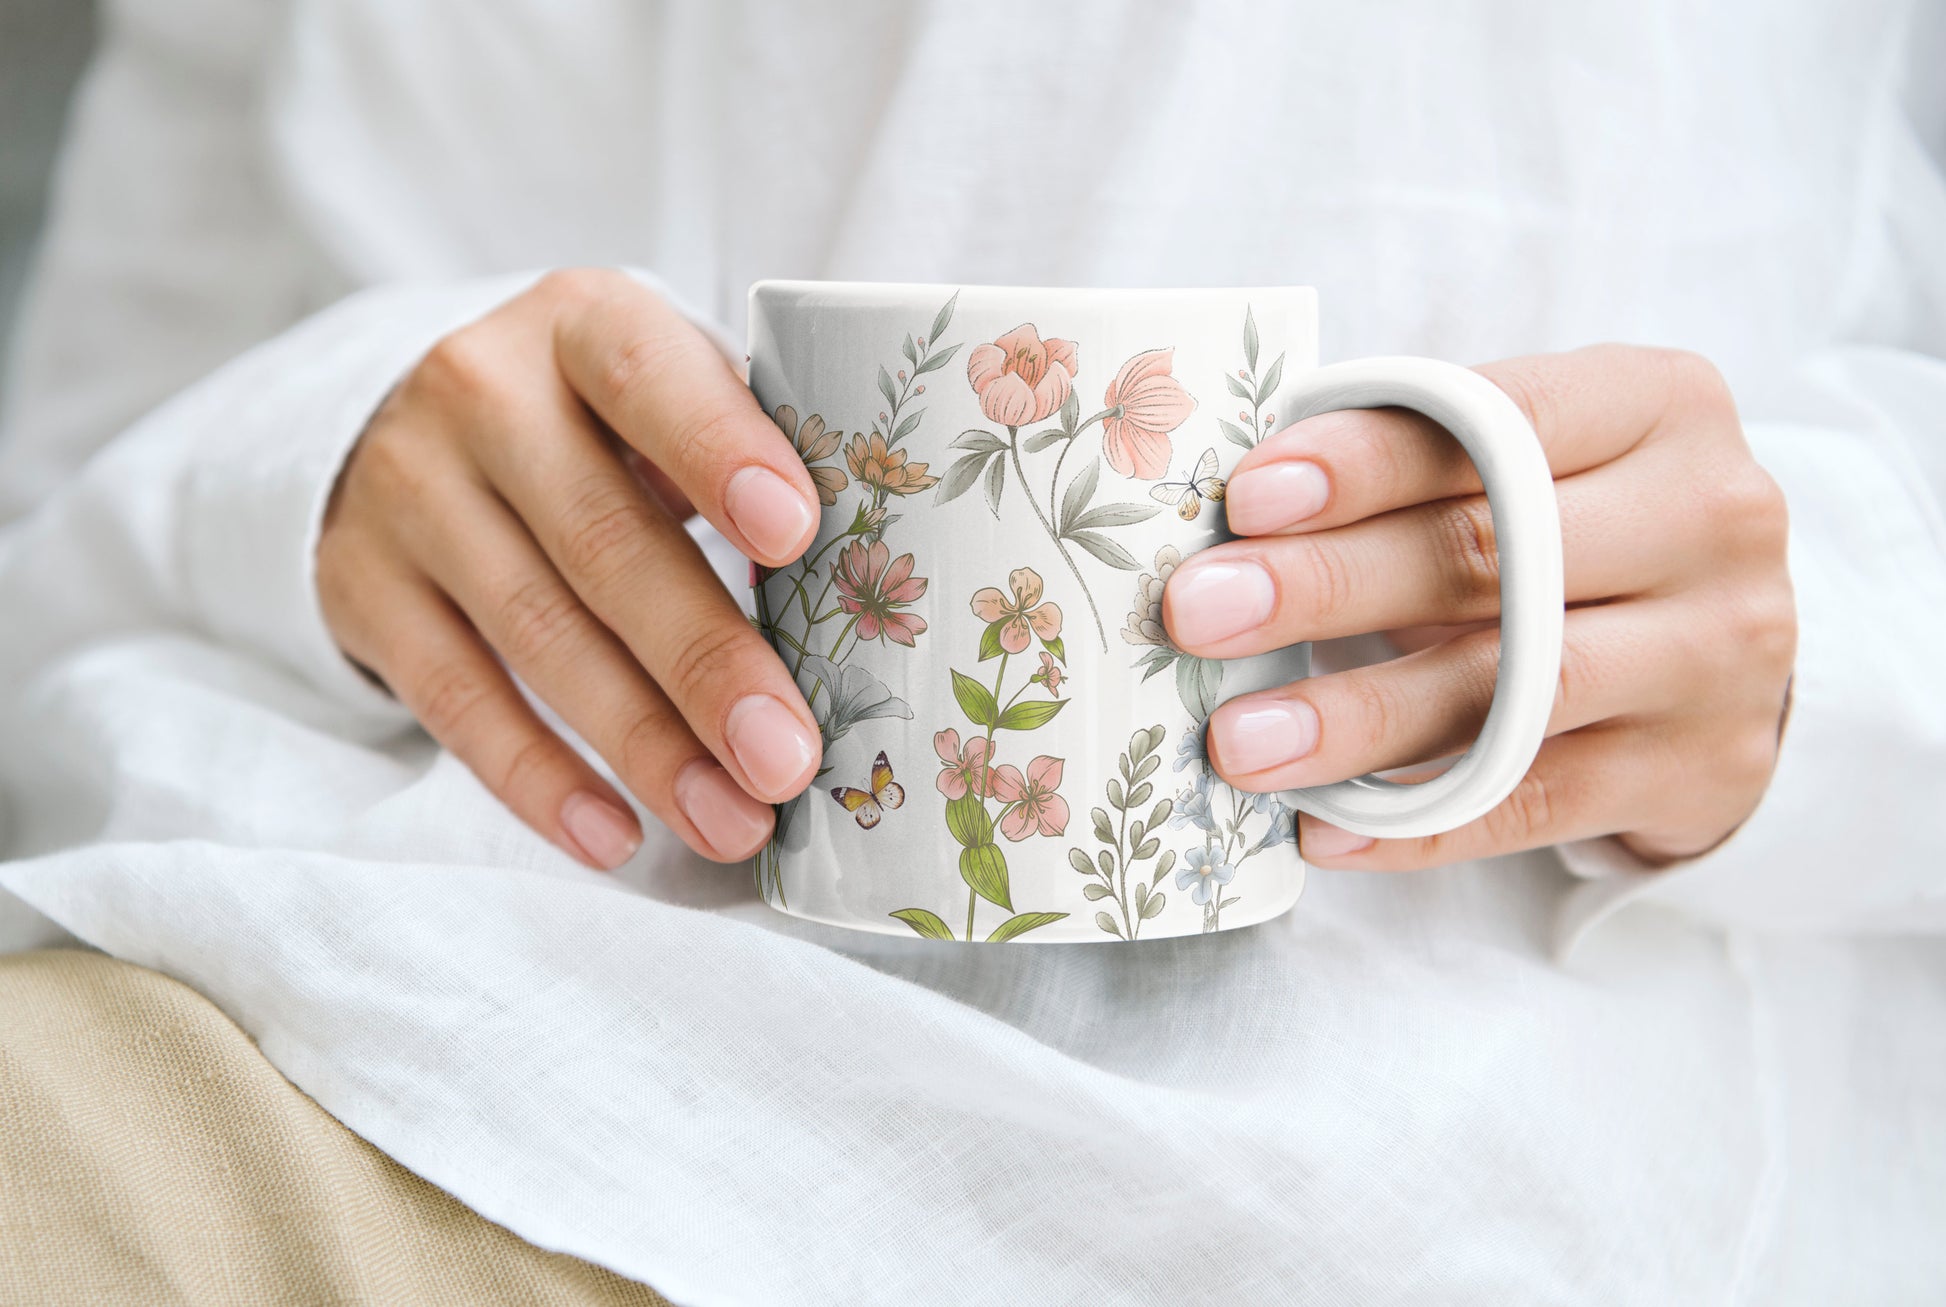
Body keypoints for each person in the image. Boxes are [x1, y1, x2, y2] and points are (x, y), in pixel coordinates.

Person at [1, 2, 1940, 1302]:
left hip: (1480, 1151)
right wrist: (320, 458)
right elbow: (77, 469)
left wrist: (1819, 635)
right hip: (422, 1011)